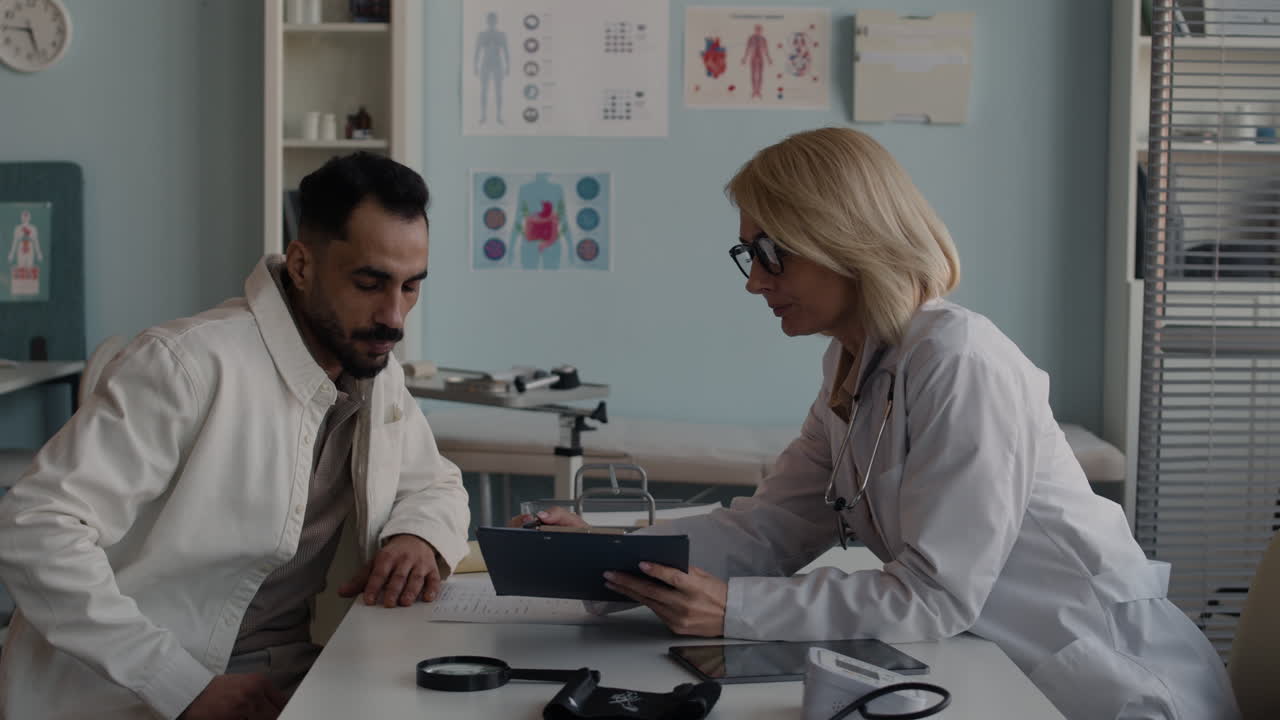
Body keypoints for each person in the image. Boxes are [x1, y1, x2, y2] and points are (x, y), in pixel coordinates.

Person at [516, 128, 1240, 720]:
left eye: (773, 253)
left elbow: (934, 595)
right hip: (996, 674)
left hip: (1110, 687)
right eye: (750, 253)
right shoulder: (853, 363)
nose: (753, 280)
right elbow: (771, 527)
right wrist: (612, 555)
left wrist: (733, 608)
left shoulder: (961, 359)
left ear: (844, 238)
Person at [0, 152, 471, 720]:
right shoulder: (185, 365)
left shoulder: (373, 367)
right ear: (301, 265)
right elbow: (35, 527)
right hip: (135, 693)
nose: (395, 317)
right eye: (370, 283)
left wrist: (417, 536)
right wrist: (178, 684)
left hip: (295, 671)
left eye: (411, 287)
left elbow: (436, 482)